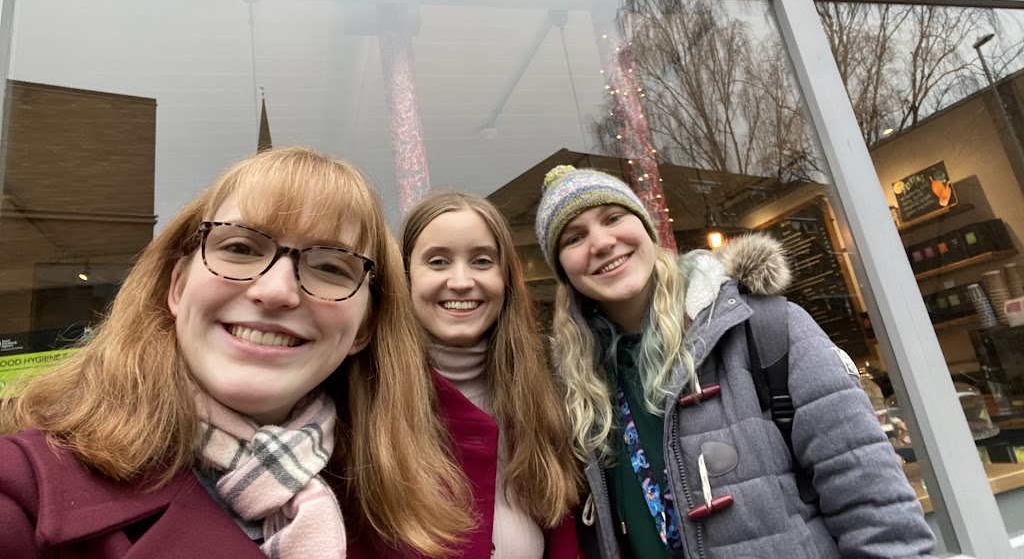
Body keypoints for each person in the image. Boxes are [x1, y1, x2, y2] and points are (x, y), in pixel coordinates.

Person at [0, 146, 472, 558]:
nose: (276, 290)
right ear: (178, 287)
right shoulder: (21, 492)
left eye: (330, 266)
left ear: (364, 327)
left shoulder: (396, 506)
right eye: (241, 247)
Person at [534, 165, 935, 559]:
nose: (601, 242)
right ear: (563, 270)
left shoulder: (762, 328)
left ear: (644, 227)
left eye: (613, 217)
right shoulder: (575, 383)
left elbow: (874, 504)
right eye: (574, 237)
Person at [350, 190, 581, 558]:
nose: (461, 281)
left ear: (505, 279)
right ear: (405, 277)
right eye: (438, 261)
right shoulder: (360, 405)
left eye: (482, 261)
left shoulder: (545, 397)